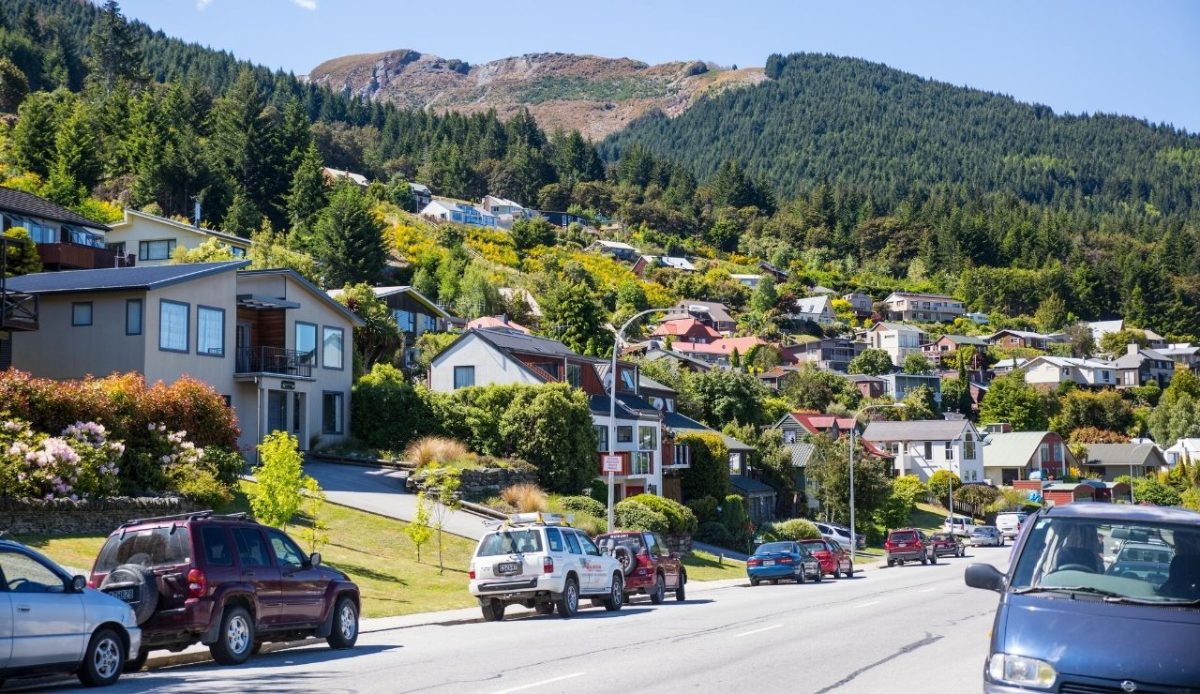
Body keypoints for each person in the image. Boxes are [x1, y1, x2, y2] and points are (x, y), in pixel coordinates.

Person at [1159, 531, 1200, 599]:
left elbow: (1174, 584)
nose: (1175, 548)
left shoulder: (1179, 561)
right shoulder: (1179, 561)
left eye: (1177, 544)